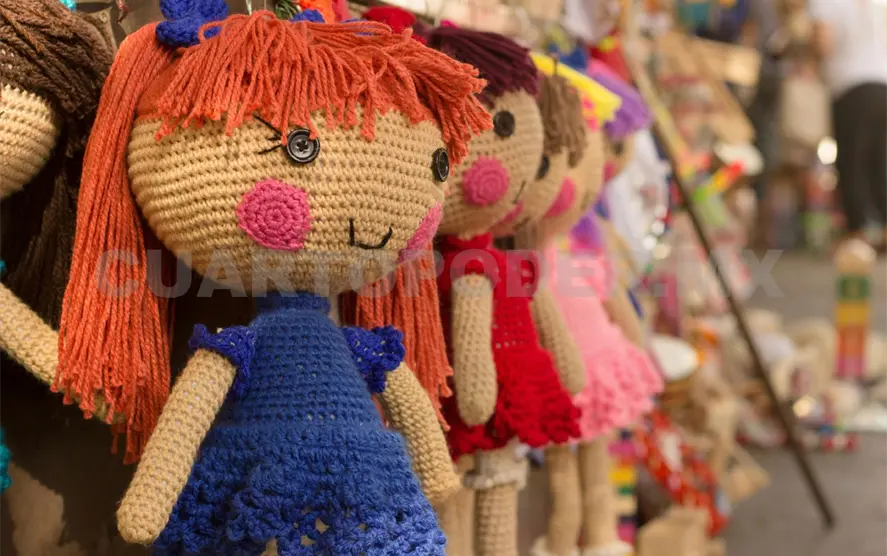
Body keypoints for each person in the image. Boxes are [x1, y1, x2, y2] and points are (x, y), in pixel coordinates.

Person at [810, 0, 887, 246]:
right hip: (882, 82)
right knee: (880, 159)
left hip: (849, 84)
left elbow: (824, 44)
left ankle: (859, 230)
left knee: (852, 160)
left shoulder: (825, 3)